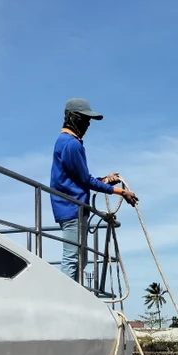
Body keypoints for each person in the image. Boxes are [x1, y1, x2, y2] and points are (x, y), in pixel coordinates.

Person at [50, 97, 138, 281]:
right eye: (85, 119)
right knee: (72, 258)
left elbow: (79, 178)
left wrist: (105, 180)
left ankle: (73, 294)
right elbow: (86, 180)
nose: (88, 124)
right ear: (74, 118)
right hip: (72, 207)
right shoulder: (71, 144)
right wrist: (121, 192)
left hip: (73, 207)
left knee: (80, 258)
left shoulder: (65, 142)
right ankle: (64, 297)